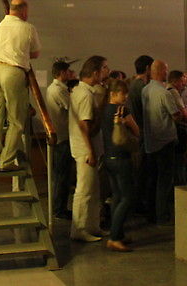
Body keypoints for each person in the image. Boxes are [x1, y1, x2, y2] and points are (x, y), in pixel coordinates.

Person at [0, 0, 41, 171]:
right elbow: (35, 53)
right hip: (13, 72)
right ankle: (7, 161)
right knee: (16, 120)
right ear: (24, 11)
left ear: (10, 10)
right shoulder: (28, 28)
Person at [69, 55, 110, 242]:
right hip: (86, 150)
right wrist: (91, 151)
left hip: (88, 147)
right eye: (104, 68)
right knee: (84, 191)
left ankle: (93, 226)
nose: (107, 71)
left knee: (93, 191)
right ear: (95, 72)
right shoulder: (85, 95)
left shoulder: (82, 91)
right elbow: (85, 125)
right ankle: (79, 229)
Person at [141, 60, 182, 225]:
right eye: (166, 70)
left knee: (152, 179)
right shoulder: (165, 93)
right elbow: (175, 115)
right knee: (164, 180)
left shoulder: (145, 90)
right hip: (165, 140)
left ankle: (151, 213)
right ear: (162, 72)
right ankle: (162, 214)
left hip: (150, 140)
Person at [101, 79, 139, 252]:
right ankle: (114, 237)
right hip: (122, 158)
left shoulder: (105, 110)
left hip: (109, 157)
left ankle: (119, 233)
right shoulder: (121, 110)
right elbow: (136, 130)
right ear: (114, 93)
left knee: (117, 196)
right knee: (127, 197)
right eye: (123, 93)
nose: (126, 96)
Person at [46, 60, 74, 220]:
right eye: (68, 72)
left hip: (60, 136)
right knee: (62, 176)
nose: (70, 74)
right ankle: (59, 208)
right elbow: (72, 107)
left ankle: (59, 206)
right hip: (62, 137)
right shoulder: (59, 90)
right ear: (62, 73)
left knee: (61, 175)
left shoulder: (53, 88)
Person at [129, 55, 154, 214]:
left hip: (136, 133)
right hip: (141, 133)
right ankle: (139, 204)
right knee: (142, 171)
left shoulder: (133, 85)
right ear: (147, 69)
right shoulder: (141, 87)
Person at [168, 70, 187, 185]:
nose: (183, 85)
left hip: (171, 131)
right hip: (179, 129)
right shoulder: (173, 92)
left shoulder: (165, 90)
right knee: (180, 161)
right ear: (175, 81)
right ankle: (181, 185)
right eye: (181, 82)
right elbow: (183, 111)